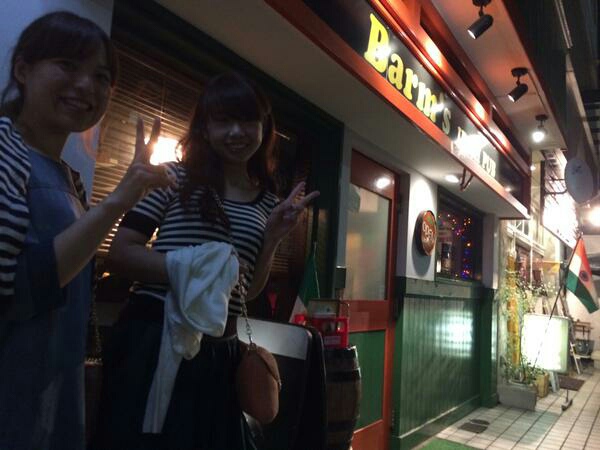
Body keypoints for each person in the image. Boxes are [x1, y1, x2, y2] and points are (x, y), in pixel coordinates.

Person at [94, 72, 319, 450]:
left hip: (219, 349)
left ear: (264, 128)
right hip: (154, 335)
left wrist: (272, 240)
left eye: (247, 120)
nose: (236, 132)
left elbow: (247, 292)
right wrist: (201, 268)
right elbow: (120, 253)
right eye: (223, 120)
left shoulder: (267, 201)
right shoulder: (173, 177)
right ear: (205, 128)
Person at [0, 11, 172, 450]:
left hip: (51, 396)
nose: (86, 86)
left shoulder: (69, 178)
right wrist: (120, 201)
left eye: (101, 77)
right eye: (67, 65)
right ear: (23, 69)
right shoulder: (5, 151)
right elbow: (19, 288)